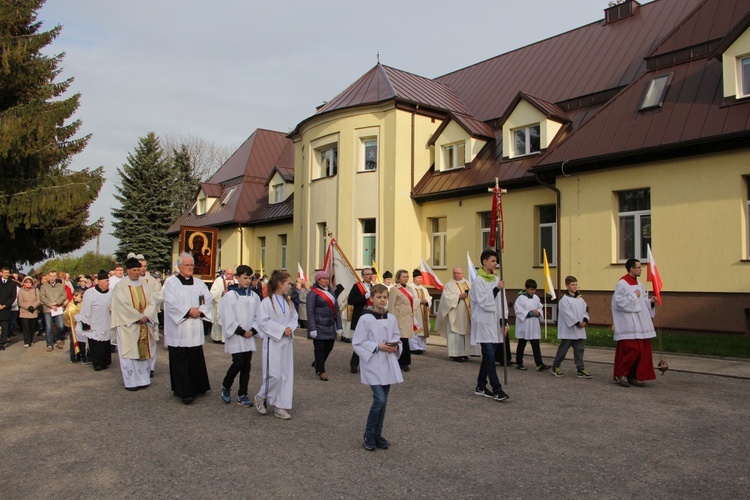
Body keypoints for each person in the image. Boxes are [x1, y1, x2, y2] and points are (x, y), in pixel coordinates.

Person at [352, 284, 403, 451]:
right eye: (379, 297)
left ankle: (377, 434)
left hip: (387, 361)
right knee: (379, 399)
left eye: (384, 297)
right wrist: (377, 347)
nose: (382, 300)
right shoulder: (365, 318)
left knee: (384, 401)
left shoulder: (391, 318)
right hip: (373, 362)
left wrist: (395, 346)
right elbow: (358, 341)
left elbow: (397, 336)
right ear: (372, 298)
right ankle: (368, 433)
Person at [163, 253, 213, 404]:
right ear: (179, 267)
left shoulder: (199, 283)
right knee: (181, 359)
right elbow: (170, 303)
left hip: (195, 325)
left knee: (195, 357)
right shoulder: (171, 284)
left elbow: (208, 299)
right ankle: (184, 391)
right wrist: (188, 311)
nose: (190, 268)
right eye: (187, 265)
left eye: (191, 265)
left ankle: (198, 386)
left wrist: (200, 311)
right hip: (179, 328)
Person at [255, 270, 298, 420]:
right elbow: (263, 321)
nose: (290, 286)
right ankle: (262, 396)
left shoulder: (289, 302)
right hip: (273, 342)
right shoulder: (267, 302)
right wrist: (280, 330)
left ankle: (281, 406)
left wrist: (290, 329)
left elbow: (294, 318)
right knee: (274, 374)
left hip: (286, 343)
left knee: (285, 375)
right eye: (288, 283)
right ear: (280, 284)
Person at [111, 259, 159, 391]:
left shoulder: (146, 286)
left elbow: (152, 303)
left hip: (143, 324)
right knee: (129, 352)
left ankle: (143, 379)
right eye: (134, 270)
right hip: (128, 325)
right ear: (128, 271)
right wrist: (138, 317)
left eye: (138, 270)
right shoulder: (120, 287)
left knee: (143, 352)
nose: (137, 273)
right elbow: (122, 306)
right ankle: (131, 382)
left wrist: (146, 316)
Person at [469, 250, 510, 401]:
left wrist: (504, 321)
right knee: (490, 355)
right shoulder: (478, 281)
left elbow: (502, 302)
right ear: (484, 262)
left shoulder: (496, 279)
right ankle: (497, 389)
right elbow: (484, 302)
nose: (495, 264)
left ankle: (480, 385)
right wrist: (496, 289)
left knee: (488, 356)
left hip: (495, 323)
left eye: (496, 261)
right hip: (484, 322)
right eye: (493, 261)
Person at [611, 258, 657, 387]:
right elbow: (618, 303)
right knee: (633, 349)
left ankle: (633, 376)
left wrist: (651, 302)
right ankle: (621, 373)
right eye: (638, 267)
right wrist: (633, 296)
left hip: (640, 322)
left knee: (641, 351)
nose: (640, 269)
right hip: (629, 323)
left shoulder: (639, 284)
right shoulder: (622, 284)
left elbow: (642, 300)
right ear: (631, 269)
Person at [219, 265, 260, 406]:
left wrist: (253, 331)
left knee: (246, 365)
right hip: (237, 335)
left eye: (249, 278)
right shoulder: (231, 296)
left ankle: (242, 394)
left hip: (249, 335)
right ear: (237, 278)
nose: (248, 281)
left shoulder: (254, 296)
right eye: (245, 278)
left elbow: (259, 316)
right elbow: (227, 317)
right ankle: (226, 385)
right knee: (238, 363)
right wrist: (242, 332)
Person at [551, 276, 591, 378]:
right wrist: (577, 323)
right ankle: (555, 366)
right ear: (567, 286)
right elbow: (566, 314)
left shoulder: (580, 299)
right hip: (569, 330)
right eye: (572, 285)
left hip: (579, 330)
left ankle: (580, 369)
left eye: (576, 285)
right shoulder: (564, 300)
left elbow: (584, 311)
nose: (575, 287)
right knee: (563, 349)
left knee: (579, 350)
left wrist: (585, 321)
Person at [435, 267, 479, 361]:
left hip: (468, 313)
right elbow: (446, 298)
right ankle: (456, 354)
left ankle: (465, 352)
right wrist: (459, 296)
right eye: (454, 273)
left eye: (458, 273)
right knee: (456, 333)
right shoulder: (449, 285)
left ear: (462, 274)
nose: (456, 275)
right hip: (455, 313)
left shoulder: (468, 284)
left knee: (467, 332)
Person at [306, 270, 342, 381]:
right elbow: (310, 311)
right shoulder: (313, 293)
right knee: (319, 349)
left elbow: (336, 309)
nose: (326, 280)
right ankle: (321, 371)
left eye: (327, 278)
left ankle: (317, 362)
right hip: (318, 325)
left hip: (330, 325)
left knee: (329, 347)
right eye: (324, 279)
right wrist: (312, 328)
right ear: (318, 280)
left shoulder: (331, 292)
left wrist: (339, 325)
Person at [78, 270, 114, 371]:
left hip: (106, 320)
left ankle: (105, 362)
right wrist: (85, 323)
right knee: (95, 344)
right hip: (94, 322)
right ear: (99, 282)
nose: (108, 283)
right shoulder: (90, 293)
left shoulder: (111, 292)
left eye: (108, 281)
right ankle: (96, 363)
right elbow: (85, 308)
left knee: (105, 342)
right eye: (106, 281)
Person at [514, 279, 550, 372]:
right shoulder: (521, 298)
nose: (533, 291)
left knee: (535, 344)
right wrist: (529, 313)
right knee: (522, 344)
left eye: (534, 290)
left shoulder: (536, 298)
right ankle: (519, 362)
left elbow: (540, 307)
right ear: (526, 288)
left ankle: (539, 364)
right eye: (531, 289)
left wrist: (538, 313)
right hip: (524, 325)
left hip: (533, 325)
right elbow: (518, 310)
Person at [137, 255, 163, 376]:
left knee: (151, 341)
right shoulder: (131, 280)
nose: (143, 269)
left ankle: (151, 366)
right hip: (136, 317)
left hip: (150, 316)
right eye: (141, 266)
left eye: (145, 266)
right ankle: (139, 366)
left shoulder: (152, 281)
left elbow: (160, 296)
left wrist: (148, 298)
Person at [347, 268, 375, 373]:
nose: (370, 276)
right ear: (362, 276)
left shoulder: (374, 287)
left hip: (372, 317)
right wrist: (364, 297)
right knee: (360, 341)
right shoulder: (357, 287)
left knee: (372, 341)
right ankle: (354, 364)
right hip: (360, 317)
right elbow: (351, 300)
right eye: (367, 274)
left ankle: (369, 364)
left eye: (371, 274)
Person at [388, 269, 416, 372]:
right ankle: (402, 362)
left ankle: (403, 362)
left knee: (405, 340)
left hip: (408, 318)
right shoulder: (394, 290)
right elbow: (391, 306)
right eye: (403, 277)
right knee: (402, 340)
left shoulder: (410, 289)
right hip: (399, 318)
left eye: (407, 277)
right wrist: (392, 320)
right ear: (398, 278)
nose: (406, 278)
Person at [40, 270, 69, 352]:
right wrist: (50, 304)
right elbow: (42, 297)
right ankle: (49, 344)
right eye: (50, 276)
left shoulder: (60, 286)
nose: (52, 278)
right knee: (48, 327)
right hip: (48, 308)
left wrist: (56, 303)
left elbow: (64, 296)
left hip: (58, 308)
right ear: (48, 277)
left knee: (60, 326)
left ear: (56, 277)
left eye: (53, 276)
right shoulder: (44, 286)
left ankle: (58, 338)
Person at [407, 269, 431, 355]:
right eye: (418, 278)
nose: (420, 280)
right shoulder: (410, 287)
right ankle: (414, 347)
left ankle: (422, 347)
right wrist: (418, 301)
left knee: (423, 329)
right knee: (416, 329)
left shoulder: (424, 289)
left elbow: (429, 298)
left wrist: (426, 301)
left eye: (421, 278)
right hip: (416, 312)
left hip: (423, 312)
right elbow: (409, 299)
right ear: (413, 278)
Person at [210, 267, 237, 343]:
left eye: (231, 274)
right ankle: (217, 338)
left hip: (230, 305)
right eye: (229, 274)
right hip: (220, 302)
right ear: (225, 273)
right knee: (218, 321)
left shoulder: (234, 281)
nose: (230, 275)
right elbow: (213, 292)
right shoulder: (218, 280)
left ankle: (226, 338)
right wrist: (222, 293)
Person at [18, 276, 41, 348]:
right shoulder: (21, 290)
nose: (28, 284)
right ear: (24, 283)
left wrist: (33, 306)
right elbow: (20, 301)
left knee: (32, 327)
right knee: (25, 327)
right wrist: (27, 307)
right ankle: (26, 341)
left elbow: (39, 300)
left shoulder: (36, 290)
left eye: (29, 282)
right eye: (26, 282)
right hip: (24, 311)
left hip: (33, 311)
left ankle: (31, 340)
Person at [64, 290, 85, 363]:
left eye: (82, 297)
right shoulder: (70, 305)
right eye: (80, 297)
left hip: (80, 325)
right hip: (72, 326)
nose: (81, 298)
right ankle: (73, 356)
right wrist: (70, 323)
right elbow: (65, 315)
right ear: (74, 296)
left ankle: (82, 355)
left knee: (82, 341)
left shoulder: (82, 304)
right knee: (73, 341)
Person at [0, 267, 18, 350]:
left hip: (6, 309)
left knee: (5, 327)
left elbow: (13, 296)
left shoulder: (12, 283)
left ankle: (2, 343)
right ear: (1, 273)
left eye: (8, 272)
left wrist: (5, 305)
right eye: (5, 272)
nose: (6, 274)